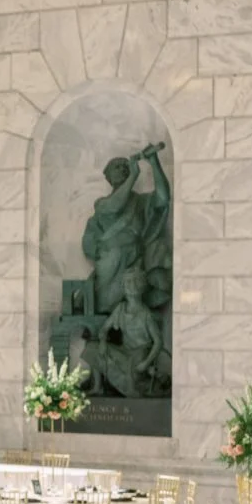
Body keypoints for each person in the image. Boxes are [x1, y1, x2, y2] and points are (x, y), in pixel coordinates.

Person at [81, 142, 171, 316]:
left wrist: (154, 161)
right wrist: (134, 176)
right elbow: (115, 206)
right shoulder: (101, 204)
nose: (122, 168)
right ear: (108, 176)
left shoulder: (140, 201)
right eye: (117, 166)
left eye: (125, 166)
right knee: (116, 255)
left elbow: (163, 198)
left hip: (136, 259)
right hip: (111, 260)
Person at [84, 268, 170, 399]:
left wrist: (146, 363)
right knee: (92, 348)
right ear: (123, 287)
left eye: (136, 281)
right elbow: (103, 329)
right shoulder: (120, 309)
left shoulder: (146, 314)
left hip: (139, 356)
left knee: (132, 382)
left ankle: (146, 382)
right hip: (123, 352)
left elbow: (158, 342)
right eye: (128, 282)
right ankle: (98, 387)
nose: (132, 285)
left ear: (142, 286)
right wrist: (102, 341)